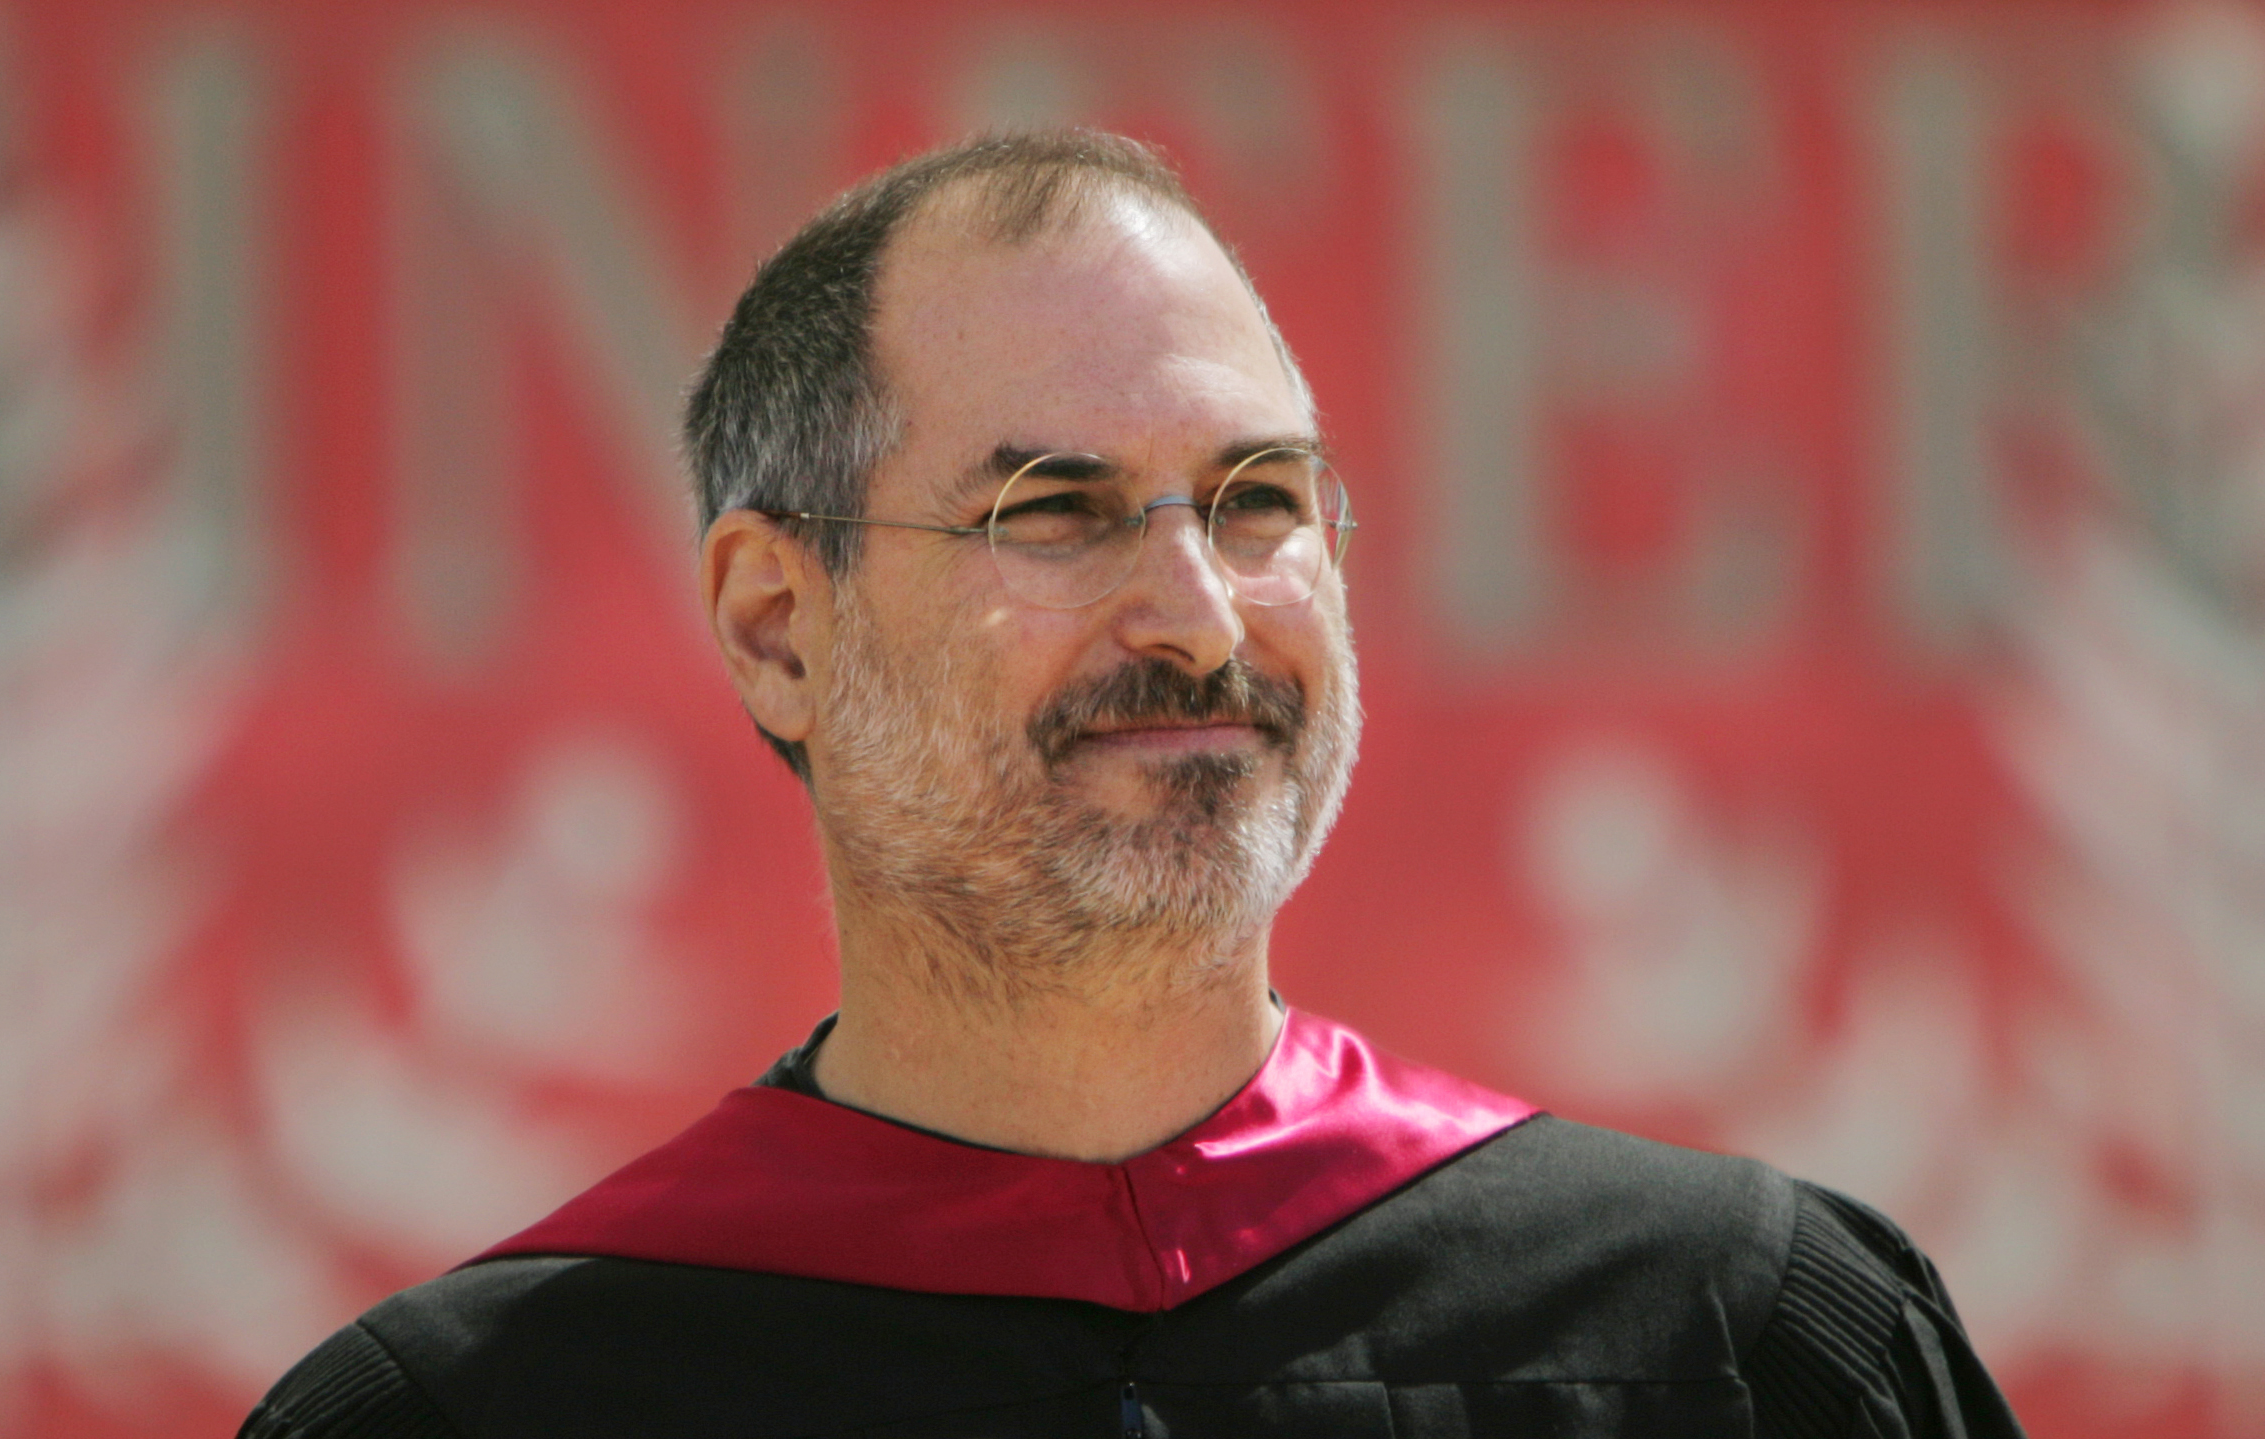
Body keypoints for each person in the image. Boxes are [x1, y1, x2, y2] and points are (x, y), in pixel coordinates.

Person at [239, 130, 2024, 1439]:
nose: (1195, 617)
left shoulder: (1740, 1348)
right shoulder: (474, 1421)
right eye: (1058, 511)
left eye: (1257, 500)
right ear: (780, 625)